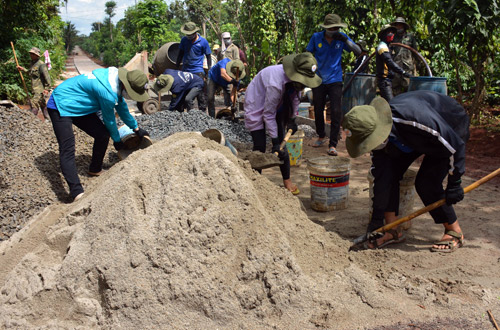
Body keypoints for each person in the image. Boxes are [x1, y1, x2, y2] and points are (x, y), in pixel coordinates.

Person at [342, 90, 470, 252]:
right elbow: (381, 177)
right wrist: (376, 221)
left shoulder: (416, 120)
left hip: (449, 127)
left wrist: (455, 183)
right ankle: (391, 229)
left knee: (427, 183)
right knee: (387, 173)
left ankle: (454, 230)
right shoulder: (375, 136)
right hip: (409, 137)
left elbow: (455, 146)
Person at [46, 67, 150, 202]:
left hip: (79, 105)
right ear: (126, 84)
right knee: (68, 148)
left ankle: (95, 169)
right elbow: (109, 120)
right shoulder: (107, 91)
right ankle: (76, 191)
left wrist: (136, 128)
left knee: (102, 135)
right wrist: (117, 140)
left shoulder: (115, 80)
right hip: (61, 104)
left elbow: (122, 107)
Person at [244, 52, 322, 195]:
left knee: (282, 146)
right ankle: (254, 182)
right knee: (260, 146)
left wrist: (292, 119)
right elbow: (268, 114)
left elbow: (295, 99)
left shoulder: (295, 84)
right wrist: (274, 141)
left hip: (277, 103)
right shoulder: (276, 84)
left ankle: (287, 181)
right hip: (256, 102)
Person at [306, 14, 361, 156]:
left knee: (336, 111)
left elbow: (358, 52)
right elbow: (307, 54)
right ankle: (321, 136)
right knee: (318, 108)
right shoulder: (316, 37)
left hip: (335, 79)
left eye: (337, 28)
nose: (334, 30)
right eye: (332, 28)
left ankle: (333, 144)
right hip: (318, 79)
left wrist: (346, 41)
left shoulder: (341, 37)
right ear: (326, 28)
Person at [175, 22, 212, 112]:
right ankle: (190, 114)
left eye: (190, 34)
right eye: (187, 34)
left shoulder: (203, 42)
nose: (189, 36)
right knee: (187, 96)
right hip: (186, 72)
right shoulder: (184, 40)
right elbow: (180, 55)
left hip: (198, 72)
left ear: (195, 32)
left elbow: (208, 56)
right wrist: (176, 69)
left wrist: (209, 71)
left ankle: (202, 113)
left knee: (201, 95)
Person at [376, 24, 411, 102]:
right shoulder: (382, 47)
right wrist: (403, 72)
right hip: (384, 81)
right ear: (384, 35)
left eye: (392, 32)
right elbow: (389, 62)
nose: (391, 34)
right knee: (391, 103)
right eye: (389, 32)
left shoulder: (389, 47)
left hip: (388, 81)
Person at [16, 47, 52, 119]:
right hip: (34, 88)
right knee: (42, 104)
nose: (31, 55)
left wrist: (47, 88)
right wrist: (23, 69)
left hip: (39, 89)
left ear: (36, 55)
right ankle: (48, 119)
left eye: (33, 54)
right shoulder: (33, 63)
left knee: (34, 103)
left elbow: (47, 77)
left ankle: (32, 120)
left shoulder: (41, 64)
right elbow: (30, 73)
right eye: (31, 54)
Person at [391, 17, 418, 96]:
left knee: (408, 87)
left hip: (407, 66)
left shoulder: (410, 37)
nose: (398, 27)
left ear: (404, 26)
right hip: (396, 66)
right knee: (395, 87)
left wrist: (418, 62)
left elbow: (415, 51)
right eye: (397, 25)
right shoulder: (393, 37)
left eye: (400, 25)